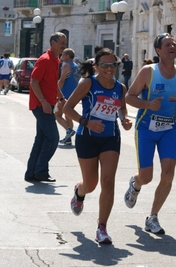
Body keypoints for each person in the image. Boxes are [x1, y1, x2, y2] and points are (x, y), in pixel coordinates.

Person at [63, 48, 132, 244]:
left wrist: (125, 120)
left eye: (112, 65)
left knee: (108, 181)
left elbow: (121, 110)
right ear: (96, 66)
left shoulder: (120, 88)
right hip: (87, 137)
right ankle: (79, 192)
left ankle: (102, 227)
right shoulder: (88, 83)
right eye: (104, 65)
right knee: (91, 184)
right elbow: (67, 108)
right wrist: (87, 123)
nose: (109, 69)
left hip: (110, 137)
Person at [124, 33, 176, 235]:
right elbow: (129, 97)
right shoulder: (148, 72)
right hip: (145, 128)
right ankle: (135, 184)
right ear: (159, 51)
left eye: (174, 44)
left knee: (168, 174)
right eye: (167, 44)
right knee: (146, 176)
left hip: (168, 128)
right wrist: (147, 104)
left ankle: (152, 217)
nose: (172, 47)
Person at [24, 32, 66, 183]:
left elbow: (53, 82)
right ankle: (41, 171)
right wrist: (43, 101)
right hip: (42, 106)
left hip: (48, 104)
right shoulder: (45, 60)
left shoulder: (55, 60)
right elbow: (34, 81)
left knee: (41, 139)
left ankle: (31, 173)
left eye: (65, 43)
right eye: (61, 42)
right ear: (52, 43)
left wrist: (60, 97)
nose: (64, 46)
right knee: (53, 138)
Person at [56, 48, 80, 145]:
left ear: (68, 56)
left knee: (57, 115)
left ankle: (68, 130)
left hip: (64, 94)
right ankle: (68, 139)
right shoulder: (77, 67)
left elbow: (62, 81)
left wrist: (57, 92)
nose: (61, 56)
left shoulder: (66, 66)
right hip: (73, 95)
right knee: (68, 116)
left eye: (63, 54)